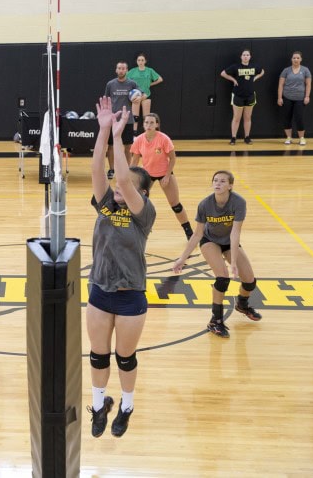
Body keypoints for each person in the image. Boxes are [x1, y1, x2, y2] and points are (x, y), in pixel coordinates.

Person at [86, 96, 156, 439]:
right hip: (100, 290)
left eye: (126, 183)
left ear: (142, 193)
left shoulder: (144, 214)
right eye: (117, 183)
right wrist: (102, 131)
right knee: (99, 357)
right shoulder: (105, 205)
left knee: (124, 358)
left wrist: (119, 135)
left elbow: (124, 180)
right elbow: (99, 169)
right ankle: (99, 406)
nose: (117, 185)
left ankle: (127, 406)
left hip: (130, 295)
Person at [172, 170, 261, 339]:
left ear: (230, 186)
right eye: (215, 181)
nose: (217, 183)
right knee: (223, 278)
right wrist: (182, 259)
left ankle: (242, 304)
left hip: (229, 241)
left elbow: (235, 233)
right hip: (209, 240)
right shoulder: (205, 204)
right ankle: (216, 320)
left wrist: (233, 261)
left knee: (249, 281)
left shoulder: (238, 202)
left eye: (222, 181)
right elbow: (197, 234)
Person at [129, 113, 193, 240]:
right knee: (139, 203)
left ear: (157, 124)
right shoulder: (139, 140)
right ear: (143, 124)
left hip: (164, 173)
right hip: (147, 175)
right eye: (146, 122)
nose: (149, 125)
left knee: (175, 205)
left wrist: (167, 176)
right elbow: (134, 162)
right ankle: (139, 229)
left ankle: (189, 232)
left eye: (152, 123)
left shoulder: (164, 139)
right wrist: (130, 179)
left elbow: (173, 159)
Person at [220, 49, 265, 145]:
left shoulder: (254, 66)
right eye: (244, 55)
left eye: (247, 55)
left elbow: (262, 72)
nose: (245, 56)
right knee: (236, 118)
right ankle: (233, 138)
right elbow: (223, 73)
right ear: (241, 56)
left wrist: (255, 78)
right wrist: (233, 80)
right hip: (238, 95)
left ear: (250, 57)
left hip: (250, 95)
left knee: (247, 118)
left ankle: (247, 137)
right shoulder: (235, 67)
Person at [104, 62, 138, 179]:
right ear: (116, 70)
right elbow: (106, 100)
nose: (121, 70)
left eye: (123, 68)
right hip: (114, 121)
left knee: (128, 146)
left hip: (127, 120)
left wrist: (138, 98)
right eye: (119, 68)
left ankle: (127, 170)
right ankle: (112, 169)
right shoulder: (110, 84)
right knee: (111, 146)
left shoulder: (132, 84)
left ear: (127, 70)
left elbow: (141, 95)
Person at [277, 51, 312, 146]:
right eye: (294, 58)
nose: (295, 59)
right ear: (291, 59)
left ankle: (302, 138)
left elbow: (308, 84)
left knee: (299, 118)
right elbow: (281, 85)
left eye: (297, 58)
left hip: (300, 99)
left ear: (301, 59)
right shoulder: (286, 70)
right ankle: (289, 137)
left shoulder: (305, 70)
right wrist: (279, 97)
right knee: (287, 118)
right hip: (287, 97)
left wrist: (307, 96)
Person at [126, 53, 163, 134]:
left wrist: (149, 84)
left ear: (145, 61)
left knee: (146, 117)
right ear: (136, 61)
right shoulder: (133, 71)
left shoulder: (149, 70)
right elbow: (125, 80)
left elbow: (160, 79)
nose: (140, 62)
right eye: (139, 60)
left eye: (142, 60)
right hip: (136, 95)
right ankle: (134, 133)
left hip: (146, 95)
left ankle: (146, 133)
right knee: (135, 116)